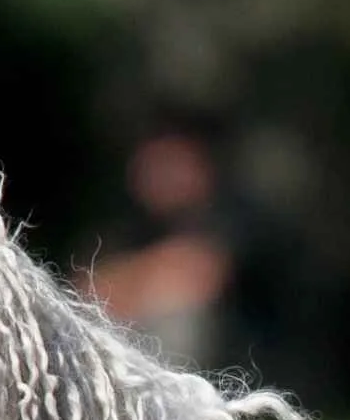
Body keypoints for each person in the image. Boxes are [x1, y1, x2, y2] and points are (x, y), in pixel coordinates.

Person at [72, 129, 234, 375]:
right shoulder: (120, 226)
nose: (164, 177)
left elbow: (201, 279)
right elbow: (86, 292)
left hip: (208, 360)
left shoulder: (223, 220)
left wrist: (129, 282)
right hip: (124, 344)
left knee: (180, 326)